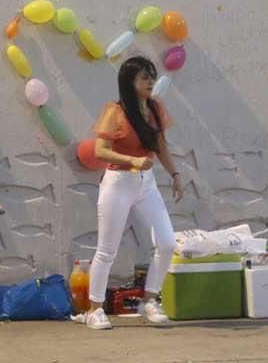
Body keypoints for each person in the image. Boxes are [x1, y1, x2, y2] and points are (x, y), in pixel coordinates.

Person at [84, 56, 184, 331]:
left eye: (152, 76)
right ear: (130, 82)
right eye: (144, 77)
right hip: (118, 182)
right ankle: (95, 309)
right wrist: (132, 161)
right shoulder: (115, 111)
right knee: (107, 250)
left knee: (166, 242)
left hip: (146, 183)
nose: (151, 82)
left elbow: (161, 146)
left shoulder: (156, 109)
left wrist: (175, 175)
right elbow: (100, 151)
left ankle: (150, 301)